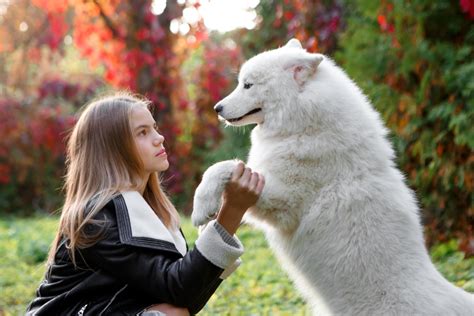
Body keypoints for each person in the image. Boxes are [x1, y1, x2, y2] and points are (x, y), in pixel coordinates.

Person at [26, 93, 264, 315]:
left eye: (154, 128)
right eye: (142, 132)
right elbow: (180, 289)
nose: (159, 138)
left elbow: (186, 300)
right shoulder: (98, 219)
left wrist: (227, 218)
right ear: (113, 149)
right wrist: (231, 212)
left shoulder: (151, 213)